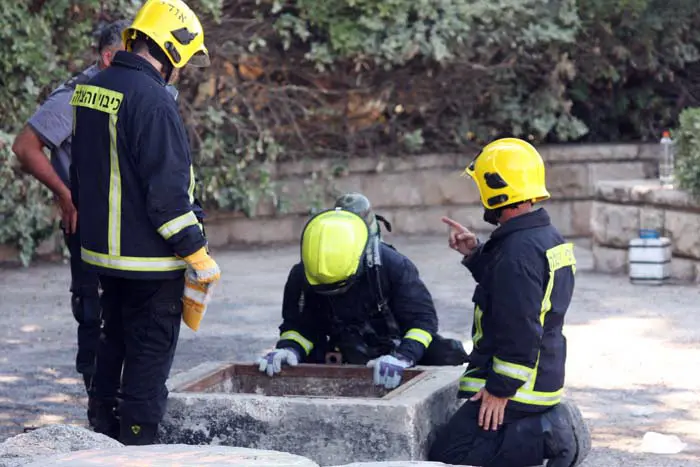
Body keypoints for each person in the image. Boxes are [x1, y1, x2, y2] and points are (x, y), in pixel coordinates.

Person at [69, 0, 220, 445]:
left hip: (104, 257)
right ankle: (137, 446)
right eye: (185, 60)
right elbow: (168, 198)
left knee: (111, 342)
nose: (184, 70)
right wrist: (198, 254)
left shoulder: (92, 87)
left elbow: (86, 174)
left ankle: (100, 434)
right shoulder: (153, 101)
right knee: (147, 367)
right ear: (172, 50)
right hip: (151, 265)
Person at [427, 138, 590, 466]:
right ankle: (543, 427)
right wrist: (475, 254)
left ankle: (547, 433)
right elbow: (514, 292)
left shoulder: (516, 253)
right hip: (541, 375)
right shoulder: (542, 237)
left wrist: (500, 390)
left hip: (520, 387)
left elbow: (520, 326)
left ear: (496, 189)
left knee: (450, 455)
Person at [11, 20, 129, 425]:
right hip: (87, 227)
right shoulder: (76, 95)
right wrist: (64, 194)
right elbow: (25, 147)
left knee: (125, 317)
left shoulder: (128, 90)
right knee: (94, 315)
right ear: (109, 56)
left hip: (121, 228)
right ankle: (99, 413)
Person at [257, 201, 469, 390]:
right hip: (341, 350)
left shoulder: (393, 266)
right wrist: (289, 350)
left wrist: (403, 357)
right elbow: (299, 326)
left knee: (444, 354)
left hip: (395, 348)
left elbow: (423, 322)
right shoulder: (302, 274)